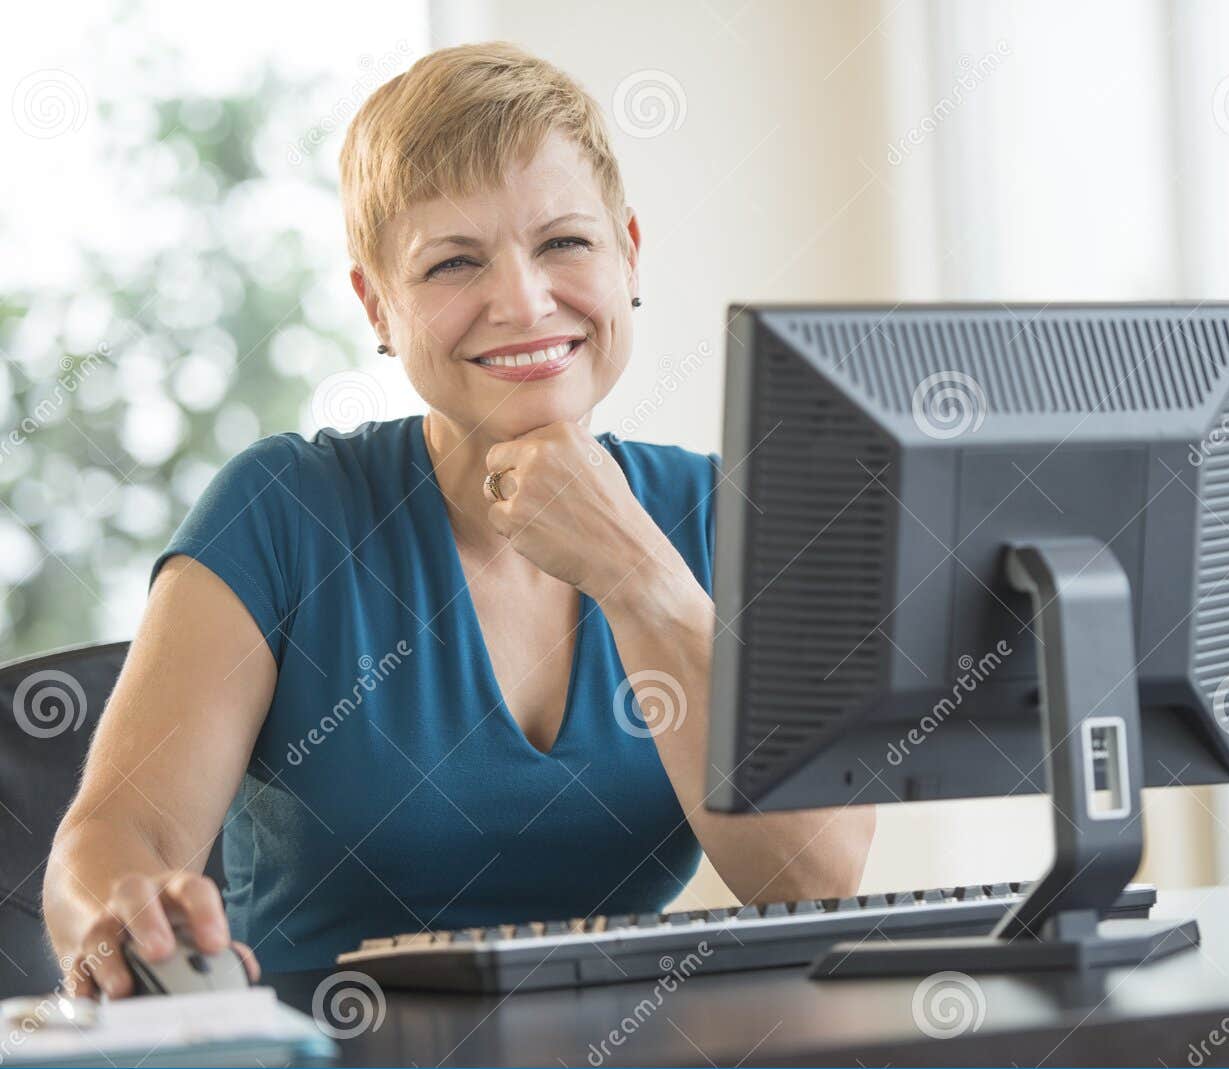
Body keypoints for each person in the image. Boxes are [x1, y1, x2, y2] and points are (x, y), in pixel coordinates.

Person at [43, 42, 875, 994]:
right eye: (452, 263)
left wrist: (640, 577)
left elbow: (814, 880)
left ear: (628, 255)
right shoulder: (283, 513)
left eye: (564, 243)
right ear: (378, 306)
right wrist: (120, 913)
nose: (522, 301)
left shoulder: (718, 514)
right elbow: (115, 834)